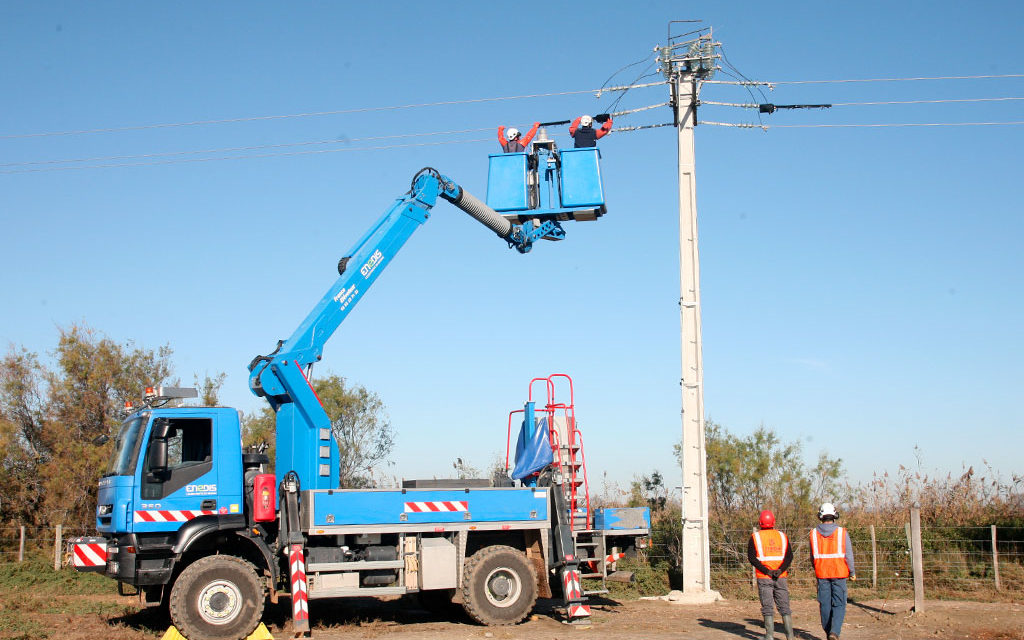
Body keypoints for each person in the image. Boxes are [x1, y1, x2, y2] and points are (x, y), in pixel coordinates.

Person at [810, 502, 856, 640]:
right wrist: (852, 572)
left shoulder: (813, 534)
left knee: (825, 604)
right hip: (839, 573)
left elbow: (812, 556)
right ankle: (834, 632)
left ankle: (828, 631)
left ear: (820, 516)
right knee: (839, 603)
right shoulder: (842, 533)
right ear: (835, 515)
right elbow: (848, 555)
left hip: (822, 574)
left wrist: (818, 567)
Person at [748, 510, 795, 640]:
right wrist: (780, 570)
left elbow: (752, 558)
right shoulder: (782, 536)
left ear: (760, 522)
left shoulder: (755, 537)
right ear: (773, 522)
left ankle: (769, 636)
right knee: (784, 606)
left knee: (767, 607)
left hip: (764, 578)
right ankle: (790, 636)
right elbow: (789, 556)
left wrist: (766, 571)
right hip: (781, 577)